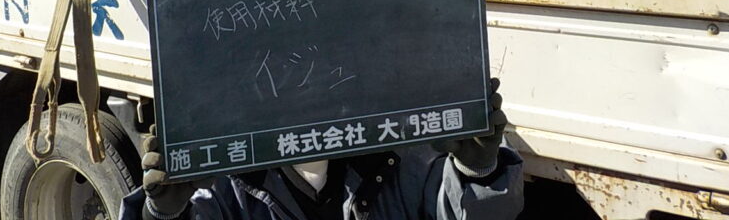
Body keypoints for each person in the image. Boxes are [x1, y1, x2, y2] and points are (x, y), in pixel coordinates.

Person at [119, 78, 522, 220]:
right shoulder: (225, 183)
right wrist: (163, 215)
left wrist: (479, 171)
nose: (303, 82)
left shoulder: (404, 157)